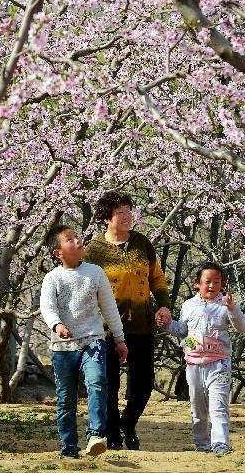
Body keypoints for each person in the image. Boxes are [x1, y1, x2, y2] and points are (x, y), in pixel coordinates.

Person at [83, 191, 172, 450]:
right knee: (108, 383)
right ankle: (112, 435)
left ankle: (128, 422)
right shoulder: (94, 251)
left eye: (128, 211)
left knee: (144, 382)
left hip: (142, 325)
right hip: (107, 329)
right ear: (106, 218)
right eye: (120, 212)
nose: (126, 217)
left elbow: (157, 278)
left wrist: (164, 305)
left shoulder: (142, 243)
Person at [40, 224, 129, 459]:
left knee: (98, 381)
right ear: (57, 252)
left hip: (94, 339)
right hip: (63, 346)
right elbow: (47, 308)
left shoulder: (95, 272)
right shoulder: (53, 278)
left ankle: (95, 435)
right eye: (69, 239)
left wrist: (119, 339)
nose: (78, 241)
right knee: (66, 397)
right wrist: (57, 325)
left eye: (77, 237)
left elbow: (109, 308)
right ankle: (69, 447)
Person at [158, 262, 245, 456]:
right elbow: (181, 331)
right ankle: (201, 445)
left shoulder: (225, 305)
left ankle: (220, 444)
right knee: (198, 410)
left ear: (222, 284)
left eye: (217, 282)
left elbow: (243, 328)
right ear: (197, 283)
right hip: (193, 365)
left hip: (219, 364)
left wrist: (232, 308)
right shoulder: (188, 305)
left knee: (218, 406)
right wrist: (166, 324)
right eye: (207, 281)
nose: (212, 286)